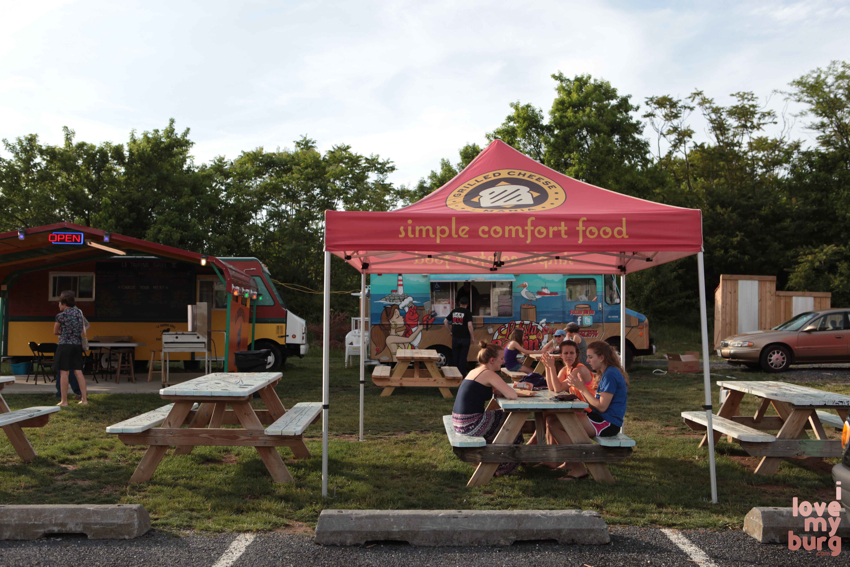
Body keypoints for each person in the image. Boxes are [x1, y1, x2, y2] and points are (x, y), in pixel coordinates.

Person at [547, 341, 628, 480]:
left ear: (601, 358)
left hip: (607, 423)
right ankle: (570, 462)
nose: (588, 361)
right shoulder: (606, 372)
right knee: (552, 419)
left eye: (590, 357)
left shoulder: (611, 374)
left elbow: (602, 406)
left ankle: (579, 468)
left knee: (555, 425)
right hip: (600, 419)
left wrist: (582, 388)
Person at [452, 341, 523, 477]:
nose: (503, 361)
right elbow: (512, 395)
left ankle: (500, 459)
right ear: (492, 360)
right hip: (470, 424)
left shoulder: (475, 370)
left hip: (460, 421)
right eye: (501, 358)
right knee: (513, 422)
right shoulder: (489, 373)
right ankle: (504, 466)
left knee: (505, 420)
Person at [533, 341, 595, 469]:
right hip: (578, 409)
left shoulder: (579, 369)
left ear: (577, 354)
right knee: (548, 415)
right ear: (560, 355)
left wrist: (552, 367)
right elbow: (552, 387)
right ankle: (552, 458)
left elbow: (558, 388)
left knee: (551, 419)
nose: (569, 356)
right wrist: (547, 367)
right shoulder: (566, 369)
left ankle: (535, 445)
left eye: (572, 353)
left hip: (589, 412)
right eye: (566, 353)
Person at [53, 291, 89, 406]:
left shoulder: (61, 316)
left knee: (64, 372)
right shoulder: (79, 313)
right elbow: (83, 328)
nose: (58, 305)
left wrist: (63, 332)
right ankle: (84, 400)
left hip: (64, 345)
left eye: (59, 303)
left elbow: (55, 331)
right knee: (78, 371)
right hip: (77, 345)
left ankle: (64, 401)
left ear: (64, 303)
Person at [444, 296, 473, 376]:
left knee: (455, 356)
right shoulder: (467, 312)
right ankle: (462, 374)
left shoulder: (454, 311)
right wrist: (472, 337)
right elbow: (469, 325)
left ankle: (455, 374)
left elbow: (445, 321)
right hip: (465, 338)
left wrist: (450, 332)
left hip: (455, 338)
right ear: (467, 304)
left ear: (459, 303)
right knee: (463, 357)